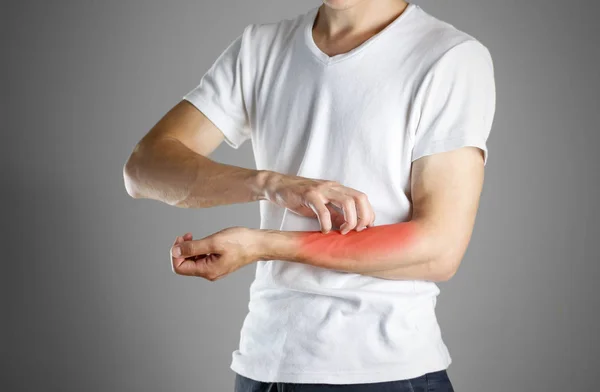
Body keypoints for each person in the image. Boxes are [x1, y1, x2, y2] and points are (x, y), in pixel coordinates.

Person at [123, 0, 496, 390]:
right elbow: (144, 167)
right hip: (261, 365)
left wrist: (264, 245)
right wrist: (271, 184)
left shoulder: (449, 57)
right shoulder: (260, 48)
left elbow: (440, 249)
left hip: (379, 371)